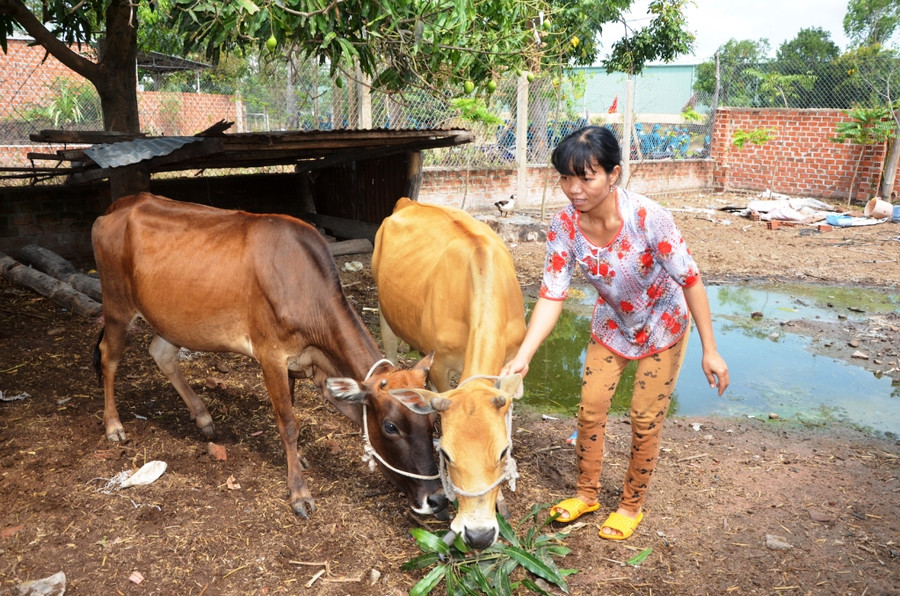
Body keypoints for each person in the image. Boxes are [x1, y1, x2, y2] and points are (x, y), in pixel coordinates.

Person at [500, 125, 729, 541]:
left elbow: (691, 280)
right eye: (566, 178)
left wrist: (710, 350)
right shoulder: (563, 226)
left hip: (664, 325)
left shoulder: (649, 218)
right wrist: (524, 353)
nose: (573, 189)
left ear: (613, 174)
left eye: (585, 177)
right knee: (590, 409)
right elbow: (552, 294)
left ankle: (629, 505)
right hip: (612, 325)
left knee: (644, 418)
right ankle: (586, 495)